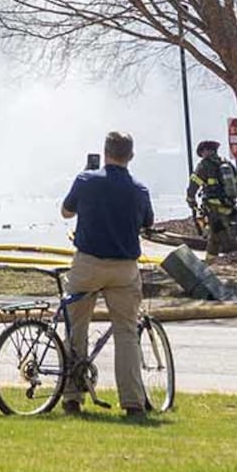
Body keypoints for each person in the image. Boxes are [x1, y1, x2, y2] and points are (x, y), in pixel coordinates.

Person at [56, 128, 157, 418]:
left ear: (104, 152)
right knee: (126, 333)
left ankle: (72, 397)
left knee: (77, 327)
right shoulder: (139, 189)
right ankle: (133, 403)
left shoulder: (86, 180)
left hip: (87, 264)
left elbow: (65, 212)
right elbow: (148, 222)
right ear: (131, 156)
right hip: (124, 269)